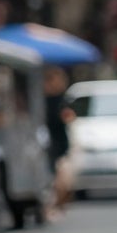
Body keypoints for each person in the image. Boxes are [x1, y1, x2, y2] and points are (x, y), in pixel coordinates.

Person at [42, 68, 75, 216]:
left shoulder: (64, 100)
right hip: (46, 145)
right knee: (56, 180)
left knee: (64, 181)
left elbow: (70, 118)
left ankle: (58, 206)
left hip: (60, 144)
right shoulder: (40, 100)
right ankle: (52, 206)